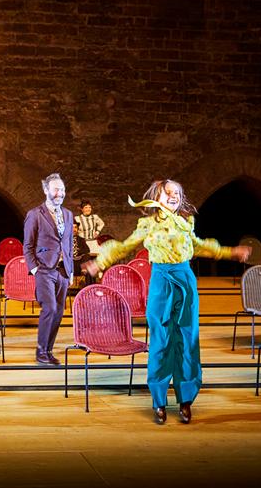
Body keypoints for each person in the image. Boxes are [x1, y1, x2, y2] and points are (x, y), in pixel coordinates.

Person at [84, 179, 250, 425]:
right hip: (161, 281)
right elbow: (125, 246)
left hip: (185, 280)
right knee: (161, 340)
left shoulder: (184, 223)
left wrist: (230, 252)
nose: (174, 196)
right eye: (168, 192)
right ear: (156, 197)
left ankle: (186, 399)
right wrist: (100, 261)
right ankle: (159, 401)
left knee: (187, 339)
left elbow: (199, 247)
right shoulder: (148, 225)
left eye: (178, 193)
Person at [23, 173, 74, 365]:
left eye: (62, 189)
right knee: (50, 308)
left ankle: (48, 350)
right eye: (56, 189)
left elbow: (68, 244)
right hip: (44, 269)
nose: (60, 193)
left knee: (59, 312)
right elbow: (28, 245)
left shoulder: (68, 214)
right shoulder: (35, 214)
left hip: (63, 271)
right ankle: (40, 350)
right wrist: (34, 269)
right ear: (46, 190)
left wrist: (70, 271)